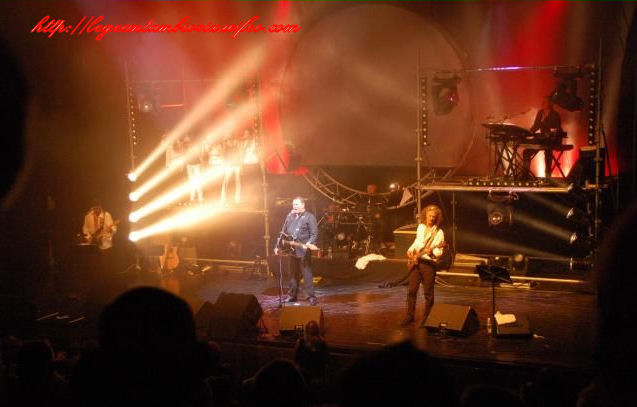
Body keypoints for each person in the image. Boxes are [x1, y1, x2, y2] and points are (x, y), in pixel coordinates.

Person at [401, 204, 445, 327]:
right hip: (416, 262)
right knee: (411, 291)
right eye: (429, 216)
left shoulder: (439, 232)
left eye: (433, 217)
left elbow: (439, 252)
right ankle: (410, 316)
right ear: (425, 215)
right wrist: (410, 250)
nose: (431, 218)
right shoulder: (421, 227)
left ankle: (427, 318)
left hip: (428, 264)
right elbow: (417, 241)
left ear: (436, 218)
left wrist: (432, 252)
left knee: (428, 293)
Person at [274, 197, 319, 306]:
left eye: (297, 204)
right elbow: (283, 232)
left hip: (303, 250)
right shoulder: (290, 216)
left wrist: (309, 243)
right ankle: (292, 295)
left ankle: (311, 296)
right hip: (291, 250)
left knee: (306, 273)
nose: (295, 206)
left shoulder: (309, 217)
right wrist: (277, 246)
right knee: (293, 274)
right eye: (294, 204)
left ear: (303, 205)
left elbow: (314, 234)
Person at [522, 97, 563, 178]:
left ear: (550, 103)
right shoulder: (540, 113)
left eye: (545, 102)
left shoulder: (555, 115)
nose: (543, 103)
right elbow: (536, 126)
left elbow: (557, 129)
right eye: (542, 102)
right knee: (526, 152)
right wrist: (527, 133)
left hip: (552, 139)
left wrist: (550, 133)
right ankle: (525, 175)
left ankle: (548, 176)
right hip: (542, 138)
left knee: (548, 151)